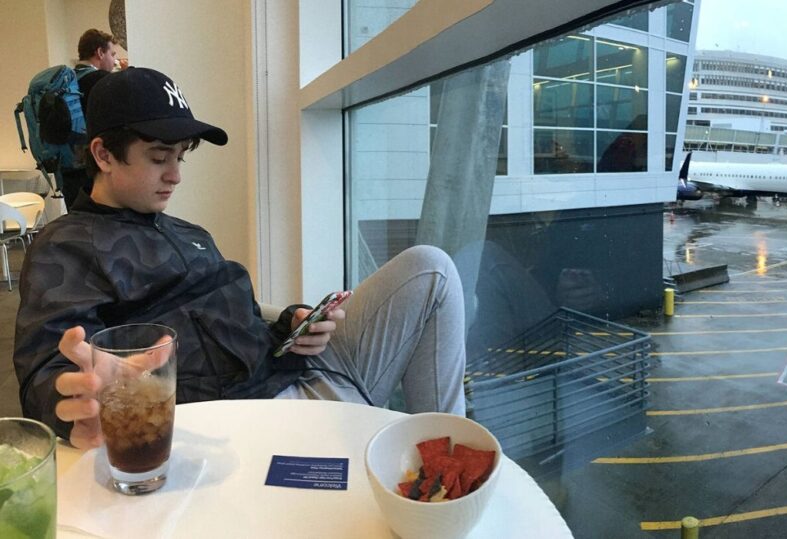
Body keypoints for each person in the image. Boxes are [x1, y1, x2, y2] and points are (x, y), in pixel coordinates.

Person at [14, 67, 467, 450]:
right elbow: (45, 376)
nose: (174, 176)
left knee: (430, 269)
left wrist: (289, 326)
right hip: (250, 420)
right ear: (103, 154)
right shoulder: (65, 246)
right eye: (157, 158)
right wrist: (87, 397)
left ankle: (452, 459)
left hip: (303, 371)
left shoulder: (189, 233)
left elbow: (237, 326)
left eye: (179, 158)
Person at [62, 29, 123, 207]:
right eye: (112, 54)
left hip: (67, 167)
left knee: (76, 225)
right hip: (94, 171)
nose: (115, 60)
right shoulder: (102, 81)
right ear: (99, 52)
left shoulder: (67, 83)